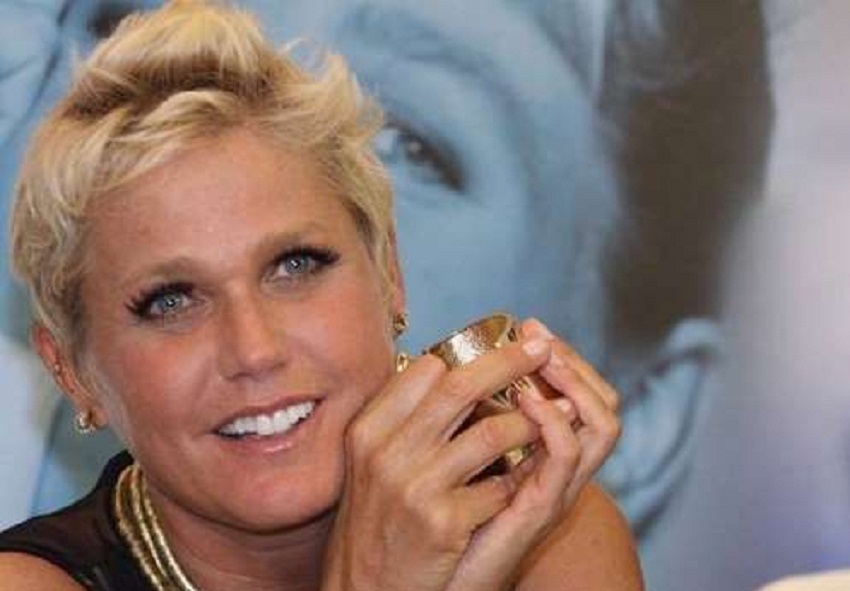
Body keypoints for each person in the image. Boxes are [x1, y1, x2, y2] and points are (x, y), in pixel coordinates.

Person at [17, 1, 773, 549]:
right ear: (72, 371)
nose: (253, 349)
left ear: (390, 275)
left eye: (297, 264)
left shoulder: (555, 547)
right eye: (169, 300)